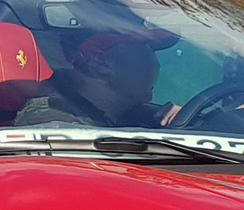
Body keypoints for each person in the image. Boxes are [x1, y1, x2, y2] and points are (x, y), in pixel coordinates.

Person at [14, 14, 181, 130]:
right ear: (100, 62)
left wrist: (180, 123)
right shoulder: (51, 123)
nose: (155, 64)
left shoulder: (127, 116)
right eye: (142, 52)